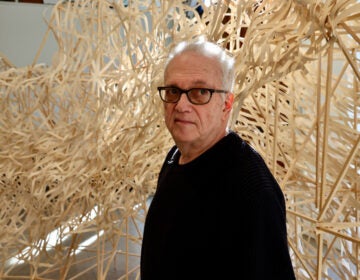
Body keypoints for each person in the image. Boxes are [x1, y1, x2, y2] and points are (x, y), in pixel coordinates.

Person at [140, 37, 296, 279]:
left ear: (227, 104)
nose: (181, 105)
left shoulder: (251, 189)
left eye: (200, 92)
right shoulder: (175, 158)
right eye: (173, 91)